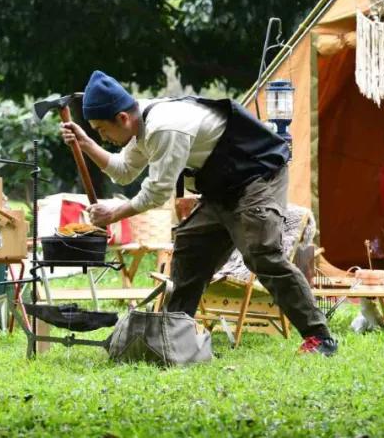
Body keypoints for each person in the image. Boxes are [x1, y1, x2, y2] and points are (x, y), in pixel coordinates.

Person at [60, 70, 337, 356]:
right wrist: (86, 144)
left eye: (101, 130)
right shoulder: (139, 122)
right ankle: (172, 338)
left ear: (122, 118)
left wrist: (113, 214)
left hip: (258, 176)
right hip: (222, 186)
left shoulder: (163, 127)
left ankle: (320, 338)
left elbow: (156, 193)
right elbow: (124, 171)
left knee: (261, 253)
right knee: (191, 249)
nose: (103, 137)